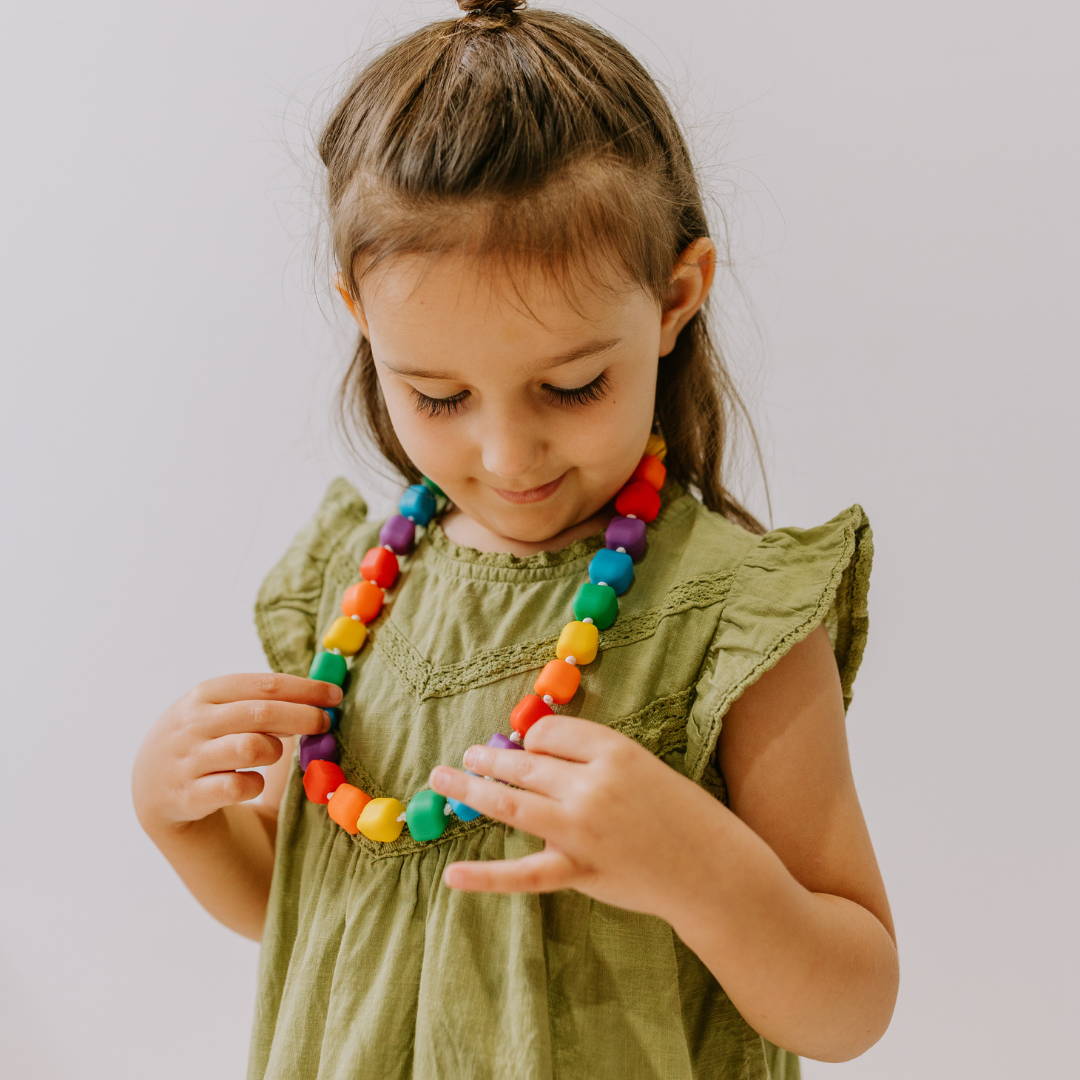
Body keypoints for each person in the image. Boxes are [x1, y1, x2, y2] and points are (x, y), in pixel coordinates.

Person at [132, 2, 897, 1077]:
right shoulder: (350, 593)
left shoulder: (733, 615)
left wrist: (699, 869)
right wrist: (179, 820)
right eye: (437, 394)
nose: (507, 453)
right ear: (361, 315)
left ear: (676, 298)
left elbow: (853, 1003)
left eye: (573, 383)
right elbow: (322, 919)